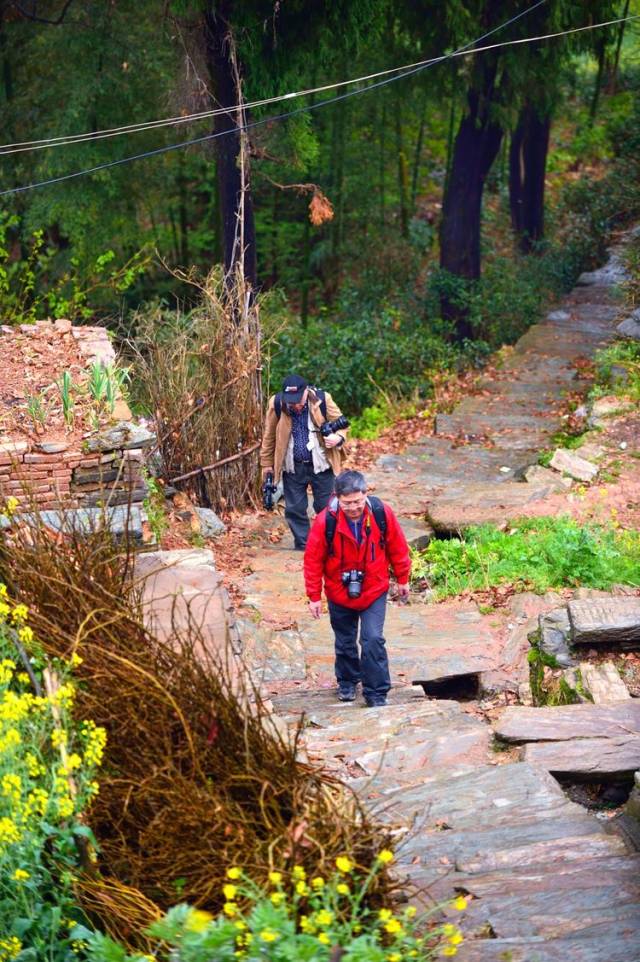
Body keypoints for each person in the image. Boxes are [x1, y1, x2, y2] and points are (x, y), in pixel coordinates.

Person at [303, 469, 410, 707]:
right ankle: (348, 680)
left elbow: (398, 547)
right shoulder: (325, 520)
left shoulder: (381, 513)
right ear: (336, 498)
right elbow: (312, 560)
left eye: (358, 501)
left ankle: (376, 692)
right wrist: (314, 596)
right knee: (345, 641)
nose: (353, 507)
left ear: (366, 494)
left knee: (372, 639)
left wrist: (403, 578)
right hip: (338, 590)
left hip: (374, 587)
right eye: (347, 503)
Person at [260, 374, 348, 550]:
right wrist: (267, 464)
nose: (295, 405)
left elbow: (342, 423)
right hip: (293, 464)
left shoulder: (322, 399)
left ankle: (329, 544)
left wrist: (337, 438)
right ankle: (303, 545)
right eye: (290, 401)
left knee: (326, 507)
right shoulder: (277, 403)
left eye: (298, 400)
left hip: (321, 463)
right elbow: (269, 436)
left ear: (306, 392)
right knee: (294, 508)